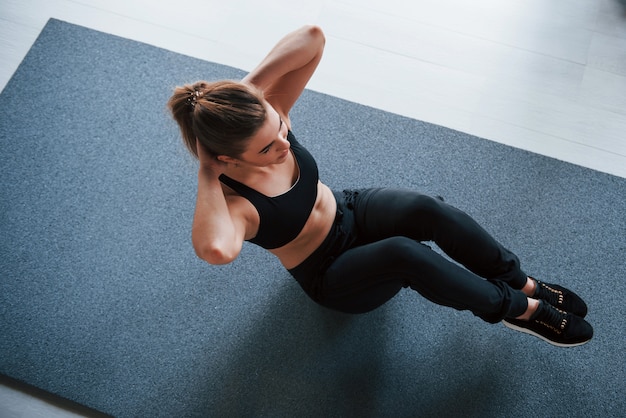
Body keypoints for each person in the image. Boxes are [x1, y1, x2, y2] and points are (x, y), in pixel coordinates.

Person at [167, 25, 593, 347]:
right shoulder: (235, 203)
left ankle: (521, 281)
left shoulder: (268, 118)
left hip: (350, 209)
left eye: (280, 129)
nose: (284, 142)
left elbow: (312, 39)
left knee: (426, 208)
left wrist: (249, 92)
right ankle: (519, 310)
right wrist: (206, 172)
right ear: (227, 158)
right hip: (330, 272)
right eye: (267, 148)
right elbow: (216, 251)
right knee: (405, 254)